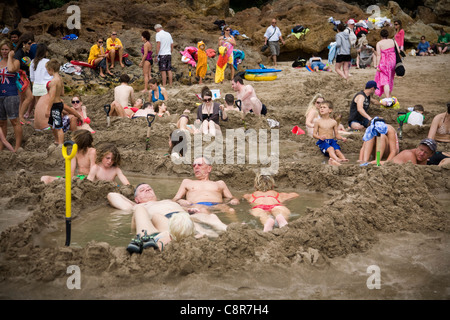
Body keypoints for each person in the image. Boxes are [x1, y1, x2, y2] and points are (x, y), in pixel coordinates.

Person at [107, 183, 228, 253]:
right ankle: (202, 237)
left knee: (211, 216)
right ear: (136, 198)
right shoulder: (138, 206)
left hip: (184, 218)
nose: (147, 190)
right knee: (156, 216)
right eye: (142, 190)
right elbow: (112, 195)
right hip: (164, 222)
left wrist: (191, 210)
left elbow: (191, 210)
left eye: (149, 188)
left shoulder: (168, 201)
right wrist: (136, 204)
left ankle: (228, 230)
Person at [172, 156, 239, 214]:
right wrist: (180, 201)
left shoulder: (219, 183)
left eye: (199, 165)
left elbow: (231, 198)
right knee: (203, 210)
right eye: (194, 165)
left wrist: (235, 200)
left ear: (209, 168)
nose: (196, 167)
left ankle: (237, 227)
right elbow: (174, 199)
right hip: (196, 205)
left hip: (217, 205)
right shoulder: (187, 182)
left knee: (231, 210)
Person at [0, 39, 21, 152]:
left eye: (6, 49)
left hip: (11, 94)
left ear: (11, 50)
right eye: (2, 49)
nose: (4, 51)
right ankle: (2, 146)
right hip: (0, 94)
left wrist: (9, 57)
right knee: (2, 122)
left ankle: (17, 147)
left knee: (14, 121)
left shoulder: (15, 61)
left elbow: (11, 69)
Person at [313, 100, 348, 165]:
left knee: (337, 150)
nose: (322, 109)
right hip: (323, 142)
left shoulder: (333, 122)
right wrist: (319, 137)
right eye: (321, 107)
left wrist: (342, 138)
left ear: (330, 110)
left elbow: (336, 135)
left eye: (324, 107)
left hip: (332, 141)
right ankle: (337, 159)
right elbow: (314, 134)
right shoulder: (318, 122)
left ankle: (344, 160)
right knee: (331, 148)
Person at [14, 32, 34, 124]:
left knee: (22, 98)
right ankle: (21, 117)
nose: (31, 45)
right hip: (20, 77)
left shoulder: (23, 52)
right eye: (29, 43)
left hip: (22, 76)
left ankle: (19, 117)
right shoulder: (19, 53)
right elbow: (17, 66)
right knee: (29, 97)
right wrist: (28, 67)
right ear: (23, 44)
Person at [45, 59, 65, 146]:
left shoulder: (53, 81)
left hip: (55, 105)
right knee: (51, 124)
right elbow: (62, 93)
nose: (47, 72)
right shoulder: (60, 79)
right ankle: (57, 140)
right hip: (59, 103)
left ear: (51, 70)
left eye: (47, 70)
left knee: (58, 127)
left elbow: (52, 97)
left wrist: (48, 109)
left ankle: (61, 144)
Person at [375, 29, 399, 98]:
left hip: (384, 63)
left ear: (380, 36)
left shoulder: (379, 43)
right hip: (392, 61)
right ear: (387, 35)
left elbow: (378, 55)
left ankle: (387, 98)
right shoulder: (393, 41)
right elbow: (398, 51)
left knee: (385, 80)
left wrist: (377, 65)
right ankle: (389, 95)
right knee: (390, 79)